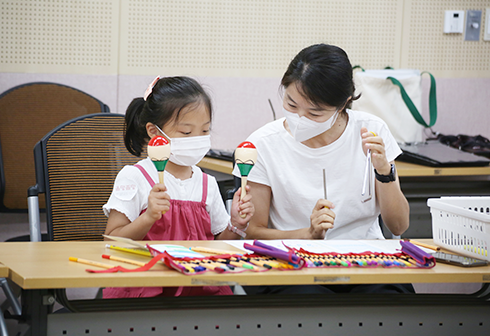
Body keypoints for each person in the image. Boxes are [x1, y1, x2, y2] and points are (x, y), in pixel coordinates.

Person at [233, 43, 412, 294]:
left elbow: (398, 226)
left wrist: (384, 171)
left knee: (389, 301)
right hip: (291, 263)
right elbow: (253, 231)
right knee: (308, 304)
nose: (300, 118)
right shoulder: (262, 145)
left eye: (315, 113)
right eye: (291, 104)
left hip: (364, 262)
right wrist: (308, 234)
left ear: (343, 104)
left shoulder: (371, 133)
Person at [103, 76, 254, 298]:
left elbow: (217, 248)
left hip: (199, 289)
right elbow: (111, 241)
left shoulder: (206, 183)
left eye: (205, 131)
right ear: (154, 132)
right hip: (147, 287)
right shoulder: (135, 177)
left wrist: (236, 225)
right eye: (186, 132)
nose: (198, 139)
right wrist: (148, 217)